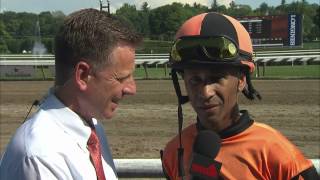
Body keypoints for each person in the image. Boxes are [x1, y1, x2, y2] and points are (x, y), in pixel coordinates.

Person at [161, 12, 319, 180]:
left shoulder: (277, 154)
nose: (205, 92)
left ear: (242, 80)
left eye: (216, 78)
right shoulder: (173, 152)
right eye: (194, 80)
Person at [0, 8, 142, 179]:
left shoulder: (92, 128)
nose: (132, 89)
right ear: (82, 75)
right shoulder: (40, 156)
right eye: (121, 78)